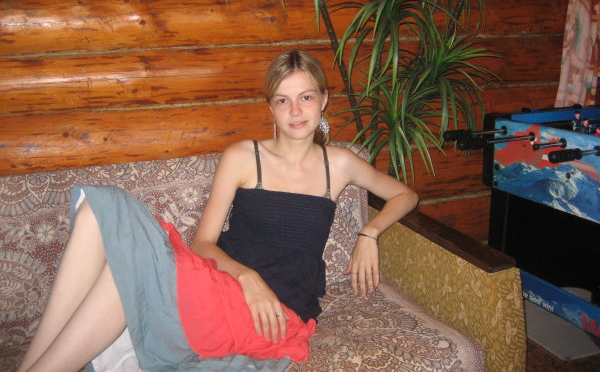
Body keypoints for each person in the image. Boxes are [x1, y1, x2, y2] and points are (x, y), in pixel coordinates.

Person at [17, 50, 418, 372]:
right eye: (283, 100)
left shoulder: (340, 163)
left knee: (125, 267)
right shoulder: (243, 156)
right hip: (221, 283)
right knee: (100, 209)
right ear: (271, 108)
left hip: (275, 312)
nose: (296, 111)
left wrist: (369, 233)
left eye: (306, 97)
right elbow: (203, 243)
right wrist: (247, 277)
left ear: (324, 100)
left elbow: (405, 196)